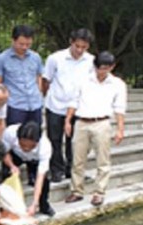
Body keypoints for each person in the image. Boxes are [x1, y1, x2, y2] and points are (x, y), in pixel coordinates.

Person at [63, 52, 127, 207]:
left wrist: (120, 129)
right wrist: (68, 120)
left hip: (102, 122)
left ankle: (99, 192)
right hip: (82, 121)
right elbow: (74, 100)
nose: (101, 71)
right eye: (99, 68)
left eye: (105, 68)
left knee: (103, 160)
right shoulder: (83, 80)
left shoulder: (118, 84)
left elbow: (120, 107)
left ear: (112, 67)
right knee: (78, 159)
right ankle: (77, 191)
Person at [43, 28, 95, 182]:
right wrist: (48, 97)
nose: (80, 50)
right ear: (71, 42)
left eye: (83, 47)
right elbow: (46, 80)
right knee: (55, 139)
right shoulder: (55, 58)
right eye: (77, 46)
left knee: (76, 141)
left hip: (79, 108)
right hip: (56, 105)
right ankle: (56, 171)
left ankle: (73, 170)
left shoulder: (91, 61)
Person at [0, 25, 43, 126]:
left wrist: (39, 92)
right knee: (13, 136)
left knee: (35, 135)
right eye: (21, 44)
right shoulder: (2, 59)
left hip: (35, 104)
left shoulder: (36, 57)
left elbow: (39, 77)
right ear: (13, 40)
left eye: (28, 44)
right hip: (14, 105)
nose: (24, 47)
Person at [2, 121, 55, 216]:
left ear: (37, 142)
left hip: (35, 159)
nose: (26, 149)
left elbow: (40, 177)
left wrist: (34, 203)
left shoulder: (45, 147)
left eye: (31, 146)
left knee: (45, 181)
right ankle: (7, 207)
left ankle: (44, 205)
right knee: (7, 173)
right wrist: (12, 166)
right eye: (23, 145)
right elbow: (4, 152)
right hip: (16, 155)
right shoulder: (10, 132)